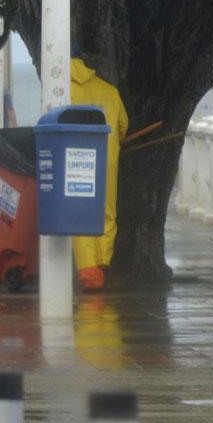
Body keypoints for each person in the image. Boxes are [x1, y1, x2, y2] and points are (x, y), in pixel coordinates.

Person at [69, 48, 128, 290]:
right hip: (107, 161)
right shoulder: (109, 91)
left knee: (79, 214)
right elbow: (123, 126)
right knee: (106, 212)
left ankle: (89, 272)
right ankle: (102, 263)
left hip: (73, 162)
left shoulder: (59, 90)